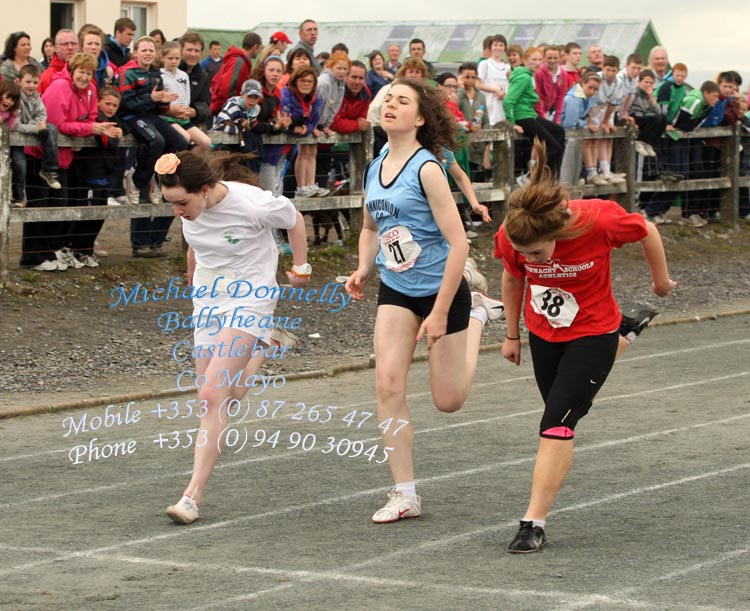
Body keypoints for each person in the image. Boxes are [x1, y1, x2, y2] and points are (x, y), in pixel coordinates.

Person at [495, 139, 676, 553]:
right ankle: (627, 335)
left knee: (557, 424)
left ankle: (532, 522)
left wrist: (660, 281)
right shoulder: (511, 236)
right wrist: (510, 335)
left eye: (539, 252)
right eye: (525, 253)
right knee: (563, 409)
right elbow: (512, 278)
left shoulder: (598, 221)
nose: (533, 260)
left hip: (592, 328)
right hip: (544, 331)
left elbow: (647, 228)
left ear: (556, 231)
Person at [345, 78, 504, 523]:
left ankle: (474, 315)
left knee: (447, 400)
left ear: (419, 119)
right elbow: (370, 228)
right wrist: (362, 268)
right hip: (396, 289)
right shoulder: (374, 167)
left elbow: (459, 245)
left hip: (443, 290)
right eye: (387, 99)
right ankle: (405, 493)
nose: (390, 105)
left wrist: (439, 313)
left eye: (402, 101)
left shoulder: (427, 169)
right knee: (388, 384)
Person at [157, 150, 311, 525]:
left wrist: (301, 266)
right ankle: (266, 344)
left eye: (182, 202)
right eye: (170, 204)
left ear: (206, 190)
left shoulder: (253, 204)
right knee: (223, 396)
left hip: (250, 296)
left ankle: (191, 497)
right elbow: (195, 244)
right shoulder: (189, 211)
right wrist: (192, 276)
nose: (177, 211)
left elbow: (295, 219)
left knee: (213, 394)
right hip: (210, 298)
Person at [116, 35, 188, 256]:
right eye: (143, 49)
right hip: (133, 117)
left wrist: (167, 104)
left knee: (181, 142)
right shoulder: (128, 72)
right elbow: (126, 103)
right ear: (136, 52)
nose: (148, 53)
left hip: (152, 116)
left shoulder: (156, 73)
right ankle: (138, 179)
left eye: (151, 50)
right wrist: (152, 98)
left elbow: (157, 105)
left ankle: (164, 176)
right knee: (155, 140)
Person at [67, 86, 124, 268]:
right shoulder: (94, 120)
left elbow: (124, 129)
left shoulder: (114, 121)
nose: (110, 108)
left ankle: (86, 250)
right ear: (98, 102)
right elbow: (109, 142)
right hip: (89, 175)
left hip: (105, 175)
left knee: (99, 215)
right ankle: (75, 248)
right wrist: (112, 135)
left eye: (114, 105)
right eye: (107, 103)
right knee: (86, 214)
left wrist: (121, 130)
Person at [503, 47, 566, 177]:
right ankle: (535, 177)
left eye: (539, 60)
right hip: (523, 117)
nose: (537, 63)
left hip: (530, 115)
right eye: (534, 60)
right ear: (525, 60)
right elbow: (508, 101)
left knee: (559, 131)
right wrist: (512, 122)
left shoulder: (529, 76)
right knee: (553, 147)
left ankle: (553, 177)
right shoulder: (524, 78)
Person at [11, 64, 61, 207]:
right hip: (15, 137)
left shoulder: (36, 97)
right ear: (19, 81)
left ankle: (49, 168)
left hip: (29, 129)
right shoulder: (15, 97)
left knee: (51, 129)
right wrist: (36, 127)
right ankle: (18, 198)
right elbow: (16, 125)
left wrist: (37, 126)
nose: (31, 85)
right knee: (20, 164)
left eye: (35, 82)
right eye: (27, 82)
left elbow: (42, 115)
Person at [159, 41, 211, 150]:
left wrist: (187, 110)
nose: (174, 61)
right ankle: (176, 164)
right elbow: (160, 100)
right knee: (185, 137)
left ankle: (190, 163)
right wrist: (170, 110)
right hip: (168, 118)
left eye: (177, 58)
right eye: (170, 58)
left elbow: (187, 95)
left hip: (184, 118)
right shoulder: (159, 76)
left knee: (206, 142)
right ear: (162, 58)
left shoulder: (184, 75)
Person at [281, 66, 324, 198]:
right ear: (295, 81)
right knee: (302, 154)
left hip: (303, 132)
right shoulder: (286, 95)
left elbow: (314, 120)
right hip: (283, 138)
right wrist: (296, 127)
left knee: (312, 151)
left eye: (309, 81)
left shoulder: (315, 100)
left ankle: (310, 185)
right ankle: (301, 187)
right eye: (302, 80)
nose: (306, 84)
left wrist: (307, 129)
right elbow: (286, 116)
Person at [209, 32, 262, 115]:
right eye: (259, 48)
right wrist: (234, 109)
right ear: (256, 46)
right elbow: (227, 88)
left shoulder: (236, 59)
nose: (259, 52)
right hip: (225, 111)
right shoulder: (238, 62)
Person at [476, 34, 511, 126]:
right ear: (490, 47)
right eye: (495, 45)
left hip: (503, 108)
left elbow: (510, 86)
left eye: (501, 45)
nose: (498, 48)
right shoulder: (485, 64)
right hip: (489, 106)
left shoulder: (507, 66)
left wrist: (506, 95)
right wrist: (495, 89)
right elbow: (478, 84)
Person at [39, 29, 79, 94]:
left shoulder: (86, 73)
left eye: (73, 43)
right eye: (65, 44)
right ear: (56, 48)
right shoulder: (46, 78)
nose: (70, 47)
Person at [534, 45, 566, 124]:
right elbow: (536, 96)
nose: (552, 61)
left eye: (555, 58)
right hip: (534, 111)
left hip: (547, 111)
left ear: (559, 58)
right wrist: (542, 116)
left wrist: (557, 117)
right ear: (544, 58)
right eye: (549, 58)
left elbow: (560, 97)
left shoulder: (563, 73)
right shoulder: (539, 72)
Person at [78, 25, 116, 90]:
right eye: (89, 44)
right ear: (81, 46)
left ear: (101, 47)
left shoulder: (108, 71)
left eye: (97, 44)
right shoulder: (73, 68)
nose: (93, 47)